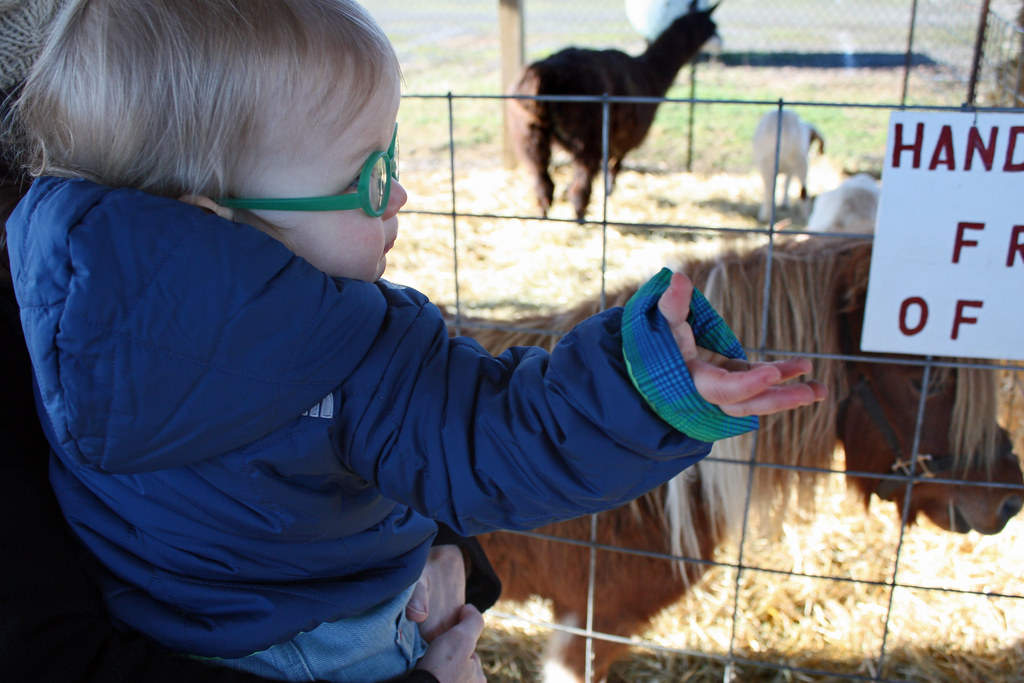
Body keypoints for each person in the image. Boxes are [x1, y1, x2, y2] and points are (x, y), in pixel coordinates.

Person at [5, 1, 826, 681]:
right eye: (368, 172)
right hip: (342, 649)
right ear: (214, 220)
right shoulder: (346, 345)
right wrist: (649, 381)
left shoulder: (50, 303)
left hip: (160, 640)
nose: (398, 192)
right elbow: (502, 435)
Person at [0, 2, 497, 683]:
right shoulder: (90, 318)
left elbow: (326, 411)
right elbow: (50, 653)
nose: (397, 194)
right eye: (362, 174)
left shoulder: (231, 267)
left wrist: (446, 547)